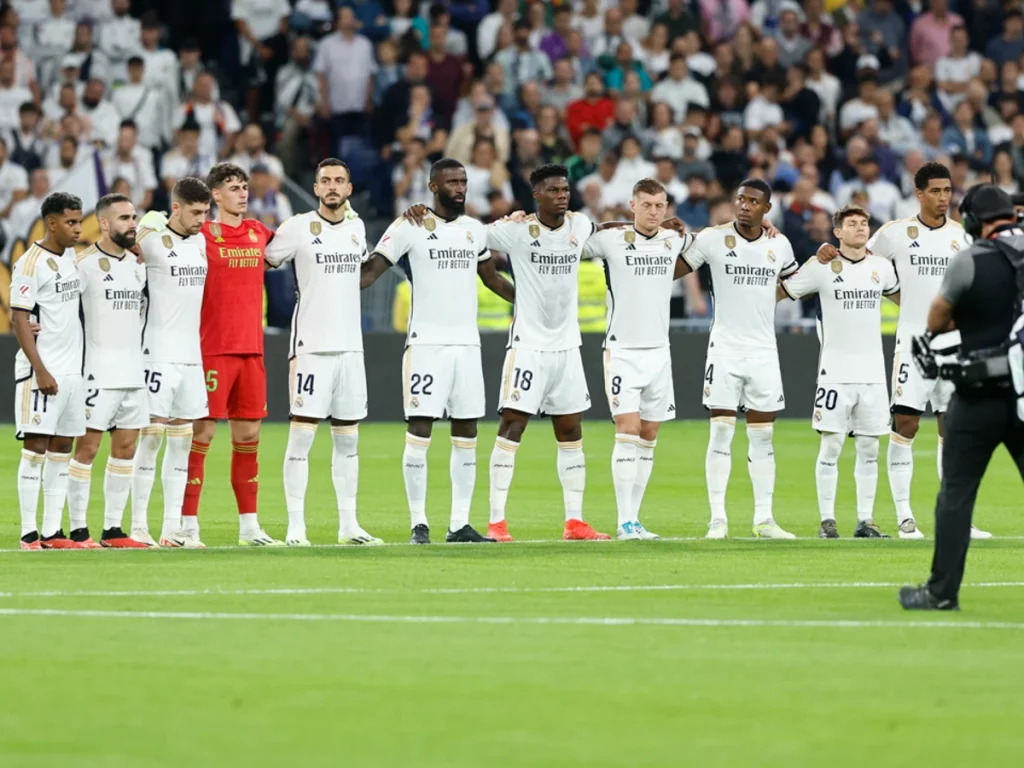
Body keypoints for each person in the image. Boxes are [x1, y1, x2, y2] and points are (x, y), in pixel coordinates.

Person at [821, 162, 989, 538]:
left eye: (948, 191)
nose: (944, 198)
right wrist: (826, 251)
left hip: (955, 348)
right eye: (936, 191)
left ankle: (957, 517)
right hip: (912, 345)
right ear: (919, 194)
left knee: (955, 429)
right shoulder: (895, 234)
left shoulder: (962, 237)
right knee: (906, 425)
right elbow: (855, 255)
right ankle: (904, 517)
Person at [362, 159, 514, 544]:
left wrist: (531, 301)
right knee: (421, 428)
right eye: (452, 182)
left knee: (467, 430)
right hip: (426, 344)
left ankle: (459, 524)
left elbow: (492, 279)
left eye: (463, 180)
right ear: (433, 186)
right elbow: (370, 272)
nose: (460, 187)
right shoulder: (410, 225)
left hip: (467, 345)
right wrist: (329, 279)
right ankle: (419, 523)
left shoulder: (473, 231)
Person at [900, 185, 1024, 610]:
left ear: (973, 221)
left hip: (979, 392)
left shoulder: (970, 259)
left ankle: (940, 593)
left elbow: (937, 316)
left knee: (956, 493)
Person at [145, 164, 281, 545]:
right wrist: (156, 215)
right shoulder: (199, 233)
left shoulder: (258, 232)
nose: (243, 193)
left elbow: (297, 242)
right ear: (214, 195)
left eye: (245, 187)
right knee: (199, 434)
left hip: (251, 350)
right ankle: (186, 524)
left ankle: (249, 526)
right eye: (234, 188)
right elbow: (159, 227)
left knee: (249, 435)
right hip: (211, 350)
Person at [484, 165, 609, 542]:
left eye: (565, 189)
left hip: (568, 348)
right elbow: (474, 242)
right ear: (536, 195)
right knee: (512, 426)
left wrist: (648, 221)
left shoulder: (579, 225)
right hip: (528, 347)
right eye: (553, 190)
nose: (562, 195)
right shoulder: (517, 231)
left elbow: (608, 231)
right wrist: (514, 295)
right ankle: (496, 523)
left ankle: (575, 522)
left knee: (571, 430)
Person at [264, 159, 382, 547]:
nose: (332, 187)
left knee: (348, 440)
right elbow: (263, 260)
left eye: (339, 181)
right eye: (325, 181)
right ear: (315, 188)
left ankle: (349, 525)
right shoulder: (296, 227)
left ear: (349, 189)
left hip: (351, 349)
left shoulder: (356, 228)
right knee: (302, 438)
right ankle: (295, 526)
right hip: (311, 347)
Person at [676, 179, 799, 539]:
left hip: (763, 351)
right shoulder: (712, 239)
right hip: (725, 350)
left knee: (763, 437)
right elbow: (675, 270)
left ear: (767, 209)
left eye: (753, 201)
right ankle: (718, 519)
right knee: (720, 434)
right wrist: (666, 238)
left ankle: (764, 520)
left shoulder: (780, 244)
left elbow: (793, 283)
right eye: (740, 199)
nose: (744, 205)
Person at [780, 206, 901, 538]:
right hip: (834, 373)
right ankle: (827, 521)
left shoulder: (882, 268)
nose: (860, 228)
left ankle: (865, 521)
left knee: (869, 449)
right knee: (831, 446)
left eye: (864, 223)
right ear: (837, 232)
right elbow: (784, 290)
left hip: (874, 374)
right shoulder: (822, 266)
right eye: (852, 224)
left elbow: (907, 301)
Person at [582, 178, 692, 540]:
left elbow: (717, 241)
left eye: (660, 205)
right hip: (622, 351)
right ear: (632, 205)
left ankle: (636, 519)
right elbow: (571, 240)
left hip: (660, 352)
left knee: (649, 434)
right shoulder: (611, 239)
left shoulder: (674, 239)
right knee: (626, 430)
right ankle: (624, 520)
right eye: (647, 205)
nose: (654, 212)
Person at [131, 177, 212, 548]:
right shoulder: (150, 239)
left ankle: (171, 528)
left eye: (206, 212)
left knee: (182, 442)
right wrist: (148, 220)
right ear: (175, 209)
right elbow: (126, 236)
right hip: (157, 354)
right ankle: (137, 526)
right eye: (195, 212)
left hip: (192, 357)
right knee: (150, 439)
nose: (202, 219)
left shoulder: (200, 241)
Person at [66, 194, 151, 549]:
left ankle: (114, 530)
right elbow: (58, 306)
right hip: (96, 373)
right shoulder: (83, 264)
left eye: (134, 217)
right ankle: (78, 529)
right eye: (124, 219)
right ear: (103, 223)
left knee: (127, 448)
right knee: (87, 449)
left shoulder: (137, 265)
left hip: (133, 371)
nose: (132, 224)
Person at [10, 192, 86, 550]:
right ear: (51, 222)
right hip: (42, 371)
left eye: (79, 220)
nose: (77, 228)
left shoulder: (71, 257)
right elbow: (19, 317)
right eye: (71, 222)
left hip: (72, 372)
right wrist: (40, 369)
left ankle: (54, 532)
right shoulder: (29, 262)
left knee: (61, 448)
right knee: (35, 448)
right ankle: (28, 534)